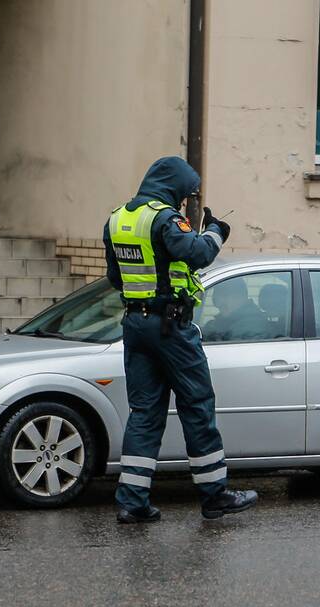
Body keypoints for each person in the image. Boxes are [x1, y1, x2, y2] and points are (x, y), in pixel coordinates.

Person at [103, 156, 259, 524]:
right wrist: (216, 230)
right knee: (197, 404)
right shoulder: (163, 218)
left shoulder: (117, 219)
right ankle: (215, 494)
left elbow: (114, 277)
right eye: (188, 195)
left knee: (144, 412)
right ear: (175, 188)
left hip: (135, 325)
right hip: (170, 327)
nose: (188, 202)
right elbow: (199, 253)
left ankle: (132, 501)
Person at [202, 277, 274, 342]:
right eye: (216, 297)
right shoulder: (224, 321)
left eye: (224, 295)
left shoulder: (252, 325)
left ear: (241, 297)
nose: (219, 303)